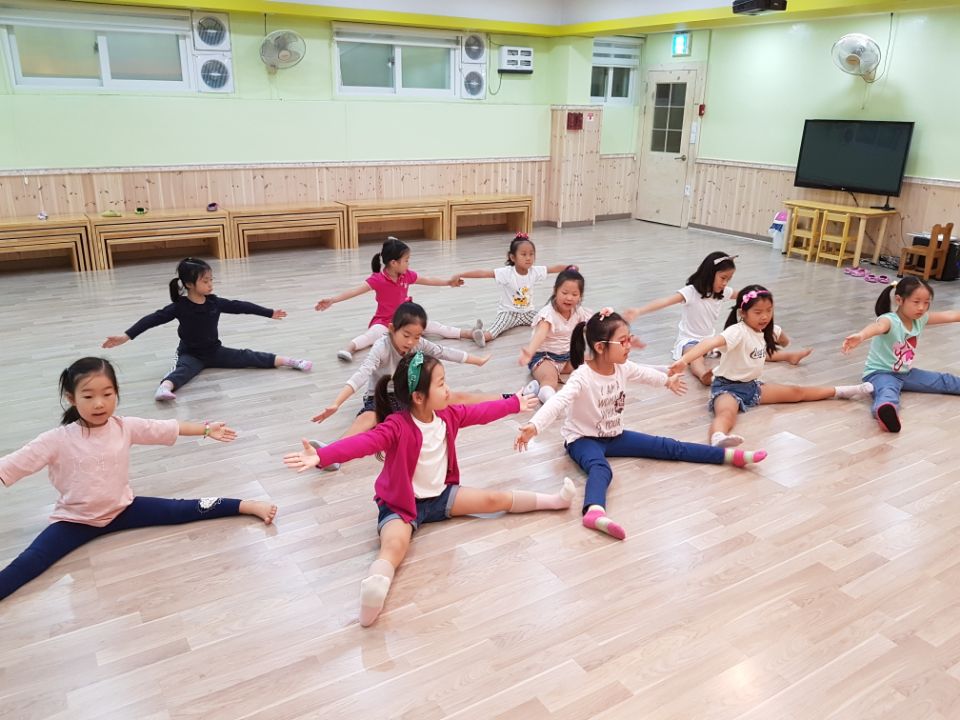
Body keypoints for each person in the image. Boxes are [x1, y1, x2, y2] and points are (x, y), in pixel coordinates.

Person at [283, 351, 572, 627]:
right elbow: (362, 444)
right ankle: (372, 599)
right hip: (400, 506)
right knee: (394, 547)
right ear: (419, 397)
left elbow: (480, 412)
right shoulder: (396, 426)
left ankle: (554, 500)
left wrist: (513, 404)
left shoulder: (448, 416)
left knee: (494, 499)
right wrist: (322, 456)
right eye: (442, 384)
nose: (448, 390)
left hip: (441, 496)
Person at [0, 357, 277, 601]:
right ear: (72, 398)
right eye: (88, 396)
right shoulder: (55, 440)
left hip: (123, 508)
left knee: (181, 510)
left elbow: (166, 427)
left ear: (116, 393)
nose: (99, 403)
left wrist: (205, 429)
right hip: (75, 521)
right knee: (30, 563)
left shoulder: (124, 426)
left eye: (107, 394)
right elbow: (13, 465)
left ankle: (246, 505)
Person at [514, 308, 767, 541]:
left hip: (614, 435)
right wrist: (534, 426)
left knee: (668, 446)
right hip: (582, 440)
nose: (629, 346)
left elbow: (646, 374)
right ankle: (594, 512)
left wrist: (666, 381)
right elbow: (557, 402)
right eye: (623, 341)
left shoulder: (621, 367)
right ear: (600, 347)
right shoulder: (582, 376)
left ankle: (729, 456)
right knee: (600, 469)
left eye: (629, 339)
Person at [310, 302, 521, 471]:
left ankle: (509, 398)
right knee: (367, 419)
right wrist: (336, 403)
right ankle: (331, 456)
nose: (411, 342)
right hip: (381, 397)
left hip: (408, 395)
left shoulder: (418, 344)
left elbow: (442, 351)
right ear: (392, 329)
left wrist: (476, 360)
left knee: (455, 397)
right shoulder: (381, 347)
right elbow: (361, 374)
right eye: (406, 335)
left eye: (417, 336)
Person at [671, 285, 873, 448]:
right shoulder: (737, 331)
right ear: (743, 313)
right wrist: (684, 360)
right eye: (758, 312)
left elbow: (782, 337)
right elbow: (710, 343)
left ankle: (846, 391)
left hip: (752, 386)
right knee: (727, 414)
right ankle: (718, 438)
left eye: (769, 311)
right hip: (727, 388)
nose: (764, 316)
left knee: (797, 392)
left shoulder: (768, 329)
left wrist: (783, 340)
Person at [103, 257, 311, 401]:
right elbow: (152, 319)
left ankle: (290, 362)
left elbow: (240, 306)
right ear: (189, 284)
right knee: (182, 372)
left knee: (248, 356)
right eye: (205, 281)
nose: (210, 284)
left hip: (215, 351)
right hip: (191, 354)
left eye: (211, 280)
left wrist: (269, 312)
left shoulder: (214, 302)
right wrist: (126, 336)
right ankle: (164, 388)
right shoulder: (180, 306)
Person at [623, 251, 811, 386]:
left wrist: (762, 301)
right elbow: (665, 301)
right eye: (723, 278)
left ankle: (788, 356)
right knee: (695, 356)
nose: (725, 283)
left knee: (748, 349)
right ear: (709, 274)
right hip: (689, 340)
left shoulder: (724, 293)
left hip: (711, 340)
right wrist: (639, 310)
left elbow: (746, 296)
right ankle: (704, 375)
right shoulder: (691, 292)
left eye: (729, 279)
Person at [315, 237, 465, 362]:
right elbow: (355, 291)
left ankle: (469, 333)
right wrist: (333, 300)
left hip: (406, 318)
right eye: (406, 260)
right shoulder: (378, 279)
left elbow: (427, 279)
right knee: (371, 336)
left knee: (434, 326)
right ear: (394, 263)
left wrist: (448, 282)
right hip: (384, 321)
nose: (408, 264)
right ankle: (349, 349)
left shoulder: (406, 275)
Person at [842, 276, 960, 432]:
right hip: (880, 373)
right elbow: (877, 327)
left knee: (944, 380)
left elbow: (950, 315)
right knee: (888, 393)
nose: (922, 308)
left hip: (905, 373)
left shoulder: (920, 319)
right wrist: (861, 335)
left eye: (926, 303)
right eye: (916, 302)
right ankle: (885, 412)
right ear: (899, 300)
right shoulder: (890, 320)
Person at [454, 233, 572, 347]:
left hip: (528, 312)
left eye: (531, 254)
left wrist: (569, 267)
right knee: (496, 329)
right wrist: (461, 274)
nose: (528, 258)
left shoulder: (535, 271)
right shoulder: (506, 273)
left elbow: (553, 268)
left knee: (545, 320)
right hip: (508, 312)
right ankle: (482, 336)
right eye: (523, 254)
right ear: (512, 257)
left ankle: (567, 329)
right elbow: (483, 273)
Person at [518, 266, 591, 405]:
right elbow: (540, 334)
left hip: (567, 358)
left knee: (597, 359)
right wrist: (529, 351)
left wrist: (606, 316)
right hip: (545, 358)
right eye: (564, 292)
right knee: (550, 380)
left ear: (580, 296)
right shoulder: (548, 314)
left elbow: (593, 324)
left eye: (574, 294)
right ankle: (551, 401)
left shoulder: (578, 311)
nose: (569, 298)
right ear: (555, 290)